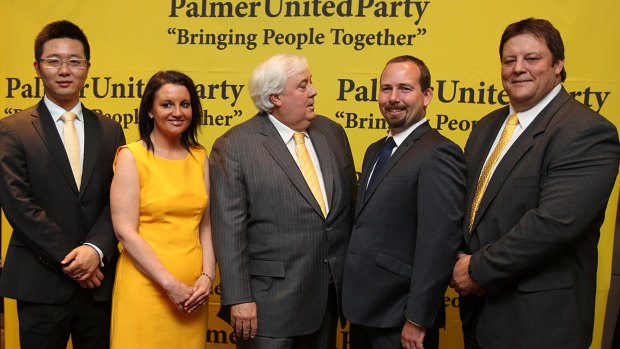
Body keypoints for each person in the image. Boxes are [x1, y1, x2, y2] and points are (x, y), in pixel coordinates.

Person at [451, 18, 620, 349]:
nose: (518, 69)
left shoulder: (586, 131)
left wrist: (475, 271)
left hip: (539, 325)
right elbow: (468, 208)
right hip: (479, 318)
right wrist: (453, 258)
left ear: (558, 65)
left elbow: (554, 224)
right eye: (509, 60)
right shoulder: (487, 127)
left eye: (532, 58)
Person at [210, 53, 357, 349]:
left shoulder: (332, 133)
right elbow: (230, 231)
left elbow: (346, 212)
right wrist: (239, 298)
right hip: (269, 306)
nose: (313, 91)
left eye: (311, 82)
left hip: (327, 299)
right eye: (303, 85)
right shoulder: (235, 146)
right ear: (275, 97)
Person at [0, 20, 125, 349]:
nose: (65, 69)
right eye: (54, 60)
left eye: (74, 61)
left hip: (99, 285)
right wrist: (74, 260)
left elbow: (120, 200)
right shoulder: (12, 130)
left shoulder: (110, 131)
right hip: (41, 283)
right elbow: (17, 204)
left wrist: (95, 250)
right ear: (37, 67)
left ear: (87, 68)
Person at [341, 55, 466, 349]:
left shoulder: (439, 153)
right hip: (364, 311)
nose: (393, 98)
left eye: (405, 89)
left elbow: (440, 243)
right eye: (386, 89)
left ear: (427, 96)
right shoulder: (376, 150)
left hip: (401, 318)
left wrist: (418, 319)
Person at [109, 70, 215, 348]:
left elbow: (206, 224)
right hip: (146, 287)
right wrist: (170, 285)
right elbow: (125, 232)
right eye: (167, 104)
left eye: (185, 104)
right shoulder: (132, 156)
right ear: (150, 111)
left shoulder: (199, 156)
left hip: (193, 291)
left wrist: (208, 275)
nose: (177, 112)